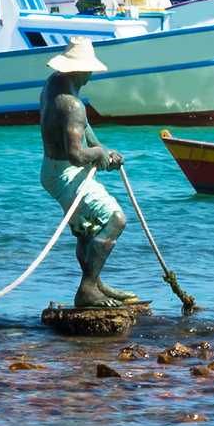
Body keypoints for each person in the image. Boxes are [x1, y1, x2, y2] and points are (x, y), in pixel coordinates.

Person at [36, 40, 137, 315]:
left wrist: (103, 149)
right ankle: (88, 288)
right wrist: (99, 154)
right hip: (65, 173)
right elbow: (77, 155)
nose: (91, 76)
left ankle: (96, 283)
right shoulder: (72, 105)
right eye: (89, 70)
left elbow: (83, 129)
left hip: (52, 170)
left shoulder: (53, 84)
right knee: (115, 220)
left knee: (88, 228)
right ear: (80, 71)